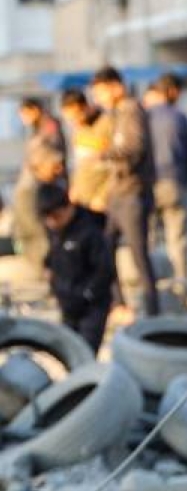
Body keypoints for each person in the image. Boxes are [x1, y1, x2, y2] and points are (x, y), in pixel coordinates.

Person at [90, 65, 160, 318]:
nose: (99, 98)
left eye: (101, 92)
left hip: (133, 193)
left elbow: (134, 148)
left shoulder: (131, 110)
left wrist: (104, 154)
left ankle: (152, 312)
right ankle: (118, 304)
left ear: (115, 86)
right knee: (105, 250)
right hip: (118, 194)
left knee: (139, 254)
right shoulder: (117, 114)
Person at [37, 182, 115, 354]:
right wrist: (48, 267)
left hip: (91, 307)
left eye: (56, 217)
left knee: (84, 354)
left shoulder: (90, 230)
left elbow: (105, 269)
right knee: (66, 354)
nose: (52, 223)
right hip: (66, 303)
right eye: (47, 219)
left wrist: (88, 294)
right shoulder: (55, 230)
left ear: (67, 208)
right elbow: (53, 254)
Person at [144, 73, 187, 296]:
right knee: (177, 237)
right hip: (174, 182)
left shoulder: (145, 117)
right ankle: (181, 283)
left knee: (150, 237)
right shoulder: (179, 117)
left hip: (149, 183)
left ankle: (150, 283)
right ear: (171, 92)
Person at [14, 98, 67, 278]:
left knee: (40, 231)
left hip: (42, 188)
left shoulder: (49, 127)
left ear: (35, 109)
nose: (23, 118)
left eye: (24, 113)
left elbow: (54, 159)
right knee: (28, 229)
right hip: (32, 186)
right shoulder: (38, 129)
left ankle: (50, 271)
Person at [61, 89, 111, 218]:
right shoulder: (79, 131)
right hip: (83, 199)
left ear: (84, 107)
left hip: (102, 201)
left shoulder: (106, 124)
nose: (74, 122)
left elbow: (117, 166)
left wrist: (103, 195)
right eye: (70, 119)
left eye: (76, 116)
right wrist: (74, 188)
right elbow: (79, 164)